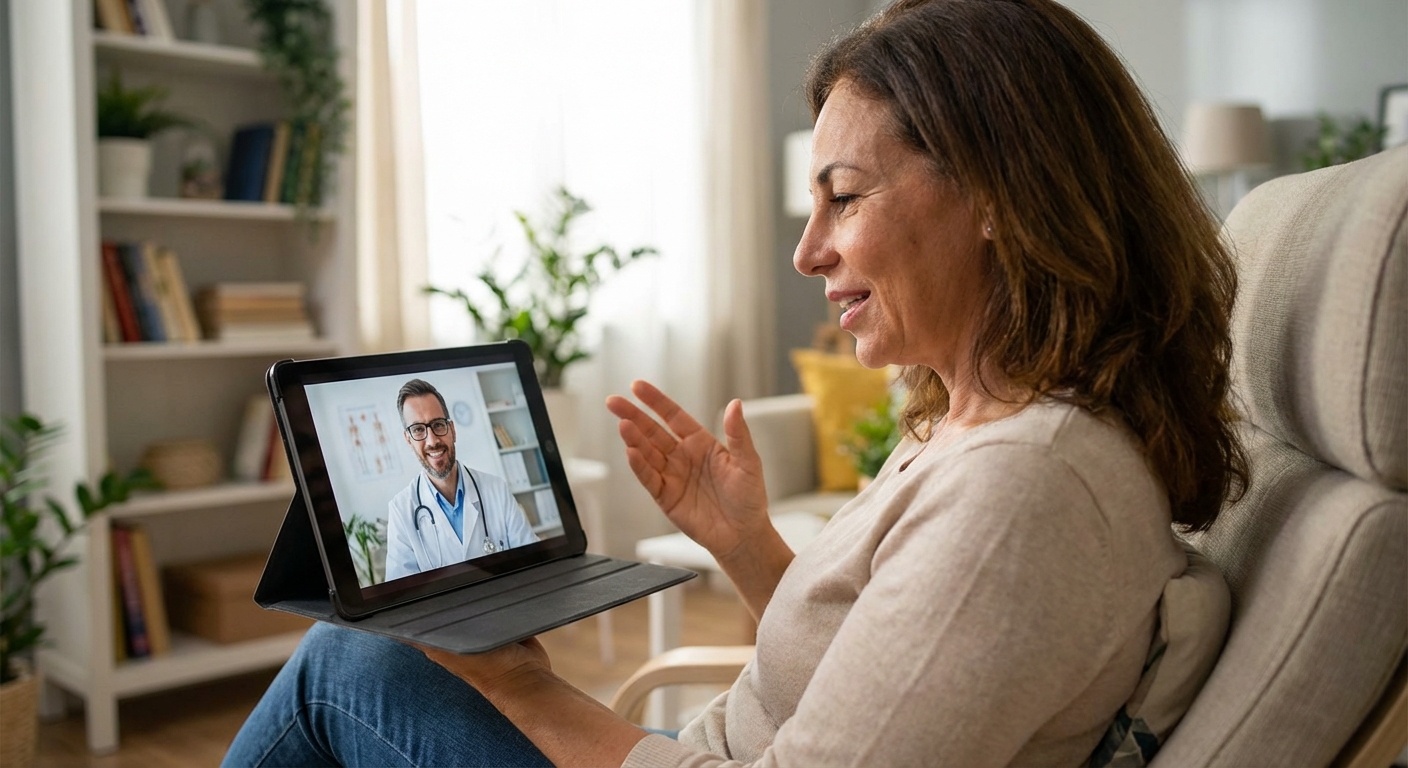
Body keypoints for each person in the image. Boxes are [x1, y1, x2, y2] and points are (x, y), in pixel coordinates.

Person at [222, 0, 1247, 765]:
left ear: (997, 193)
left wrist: (519, 685)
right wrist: (748, 545)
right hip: (713, 742)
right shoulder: (982, 429)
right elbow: (887, 672)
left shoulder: (1023, 490)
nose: (807, 253)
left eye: (843, 199)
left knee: (345, 663)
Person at [383, 379, 538, 581]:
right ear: (408, 440)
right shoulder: (400, 511)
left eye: (438, 425)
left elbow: (535, 562)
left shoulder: (496, 489)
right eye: (418, 430)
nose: (432, 441)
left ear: (452, 430)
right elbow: (401, 599)